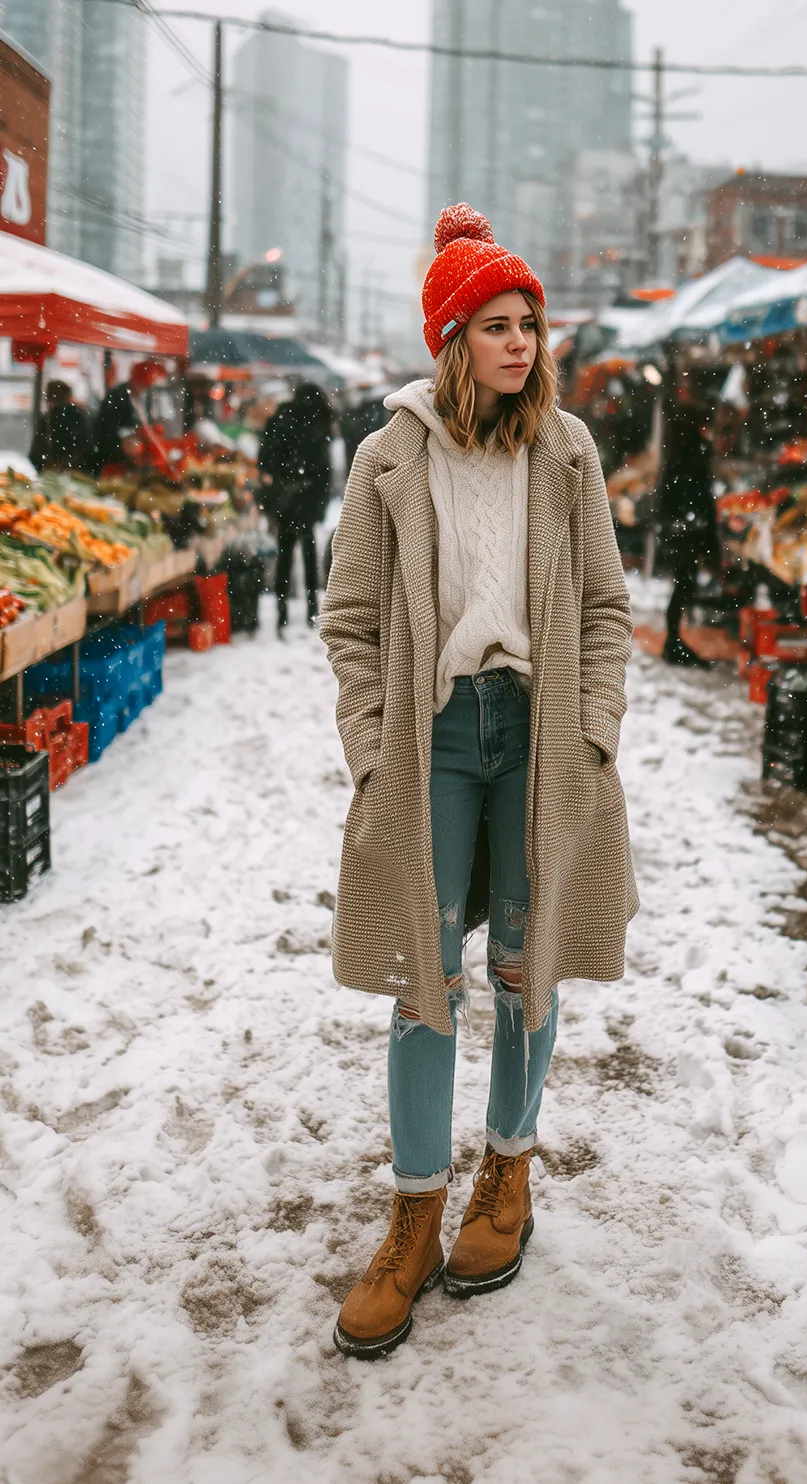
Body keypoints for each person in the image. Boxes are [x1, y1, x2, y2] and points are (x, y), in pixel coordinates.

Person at [318, 204, 638, 1360]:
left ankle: (507, 1178)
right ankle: (412, 1215)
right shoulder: (389, 456)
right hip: (434, 739)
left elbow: (605, 607)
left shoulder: (567, 450)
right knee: (422, 970)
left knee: (523, 963)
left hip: (544, 735)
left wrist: (595, 729)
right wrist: (370, 746)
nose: (522, 344)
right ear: (450, 337)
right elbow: (350, 624)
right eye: (497, 325)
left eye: (531, 323)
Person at [258, 382, 334, 631]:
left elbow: (265, 460)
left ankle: (282, 611)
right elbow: (324, 469)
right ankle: (312, 607)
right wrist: (319, 497)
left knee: (285, 550)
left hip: (286, 496)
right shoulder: (320, 422)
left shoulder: (280, 419)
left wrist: (280, 479)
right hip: (309, 496)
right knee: (309, 550)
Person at [657, 398, 719, 668]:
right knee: (684, 585)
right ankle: (674, 642)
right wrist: (704, 527)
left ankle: (674, 640)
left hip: (680, 527)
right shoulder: (694, 450)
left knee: (682, 585)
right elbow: (699, 492)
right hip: (688, 528)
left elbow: (671, 491)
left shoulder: (676, 449)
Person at [29, 380, 91, 474]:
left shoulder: (47, 420)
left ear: (49, 399)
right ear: (69, 397)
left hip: (51, 475)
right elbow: (86, 447)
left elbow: (35, 455)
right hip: (77, 475)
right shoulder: (80, 416)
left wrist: (50, 464)